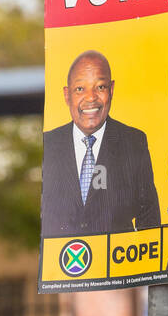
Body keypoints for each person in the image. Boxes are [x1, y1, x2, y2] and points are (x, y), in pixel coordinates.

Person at [41, 50, 160, 238]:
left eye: (100, 87)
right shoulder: (48, 145)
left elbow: (150, 221)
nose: (91, 98)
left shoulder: (134, 143)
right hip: (60, 265)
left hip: (117, 264)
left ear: (111, 89)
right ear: (66, 94)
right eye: (80, 89)